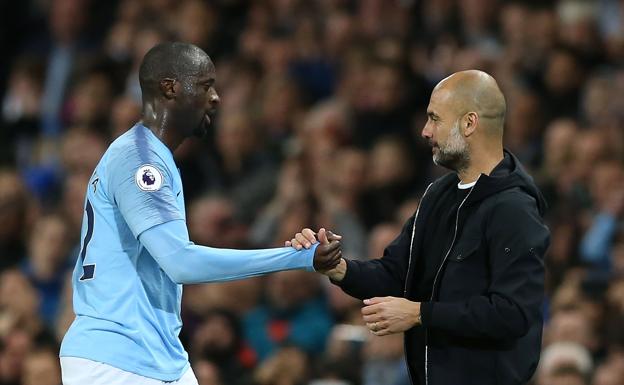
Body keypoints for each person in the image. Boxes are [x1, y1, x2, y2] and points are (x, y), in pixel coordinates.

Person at [59, 42, 342, 385]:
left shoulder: (151, 156)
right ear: (170, 88)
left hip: (156, 354)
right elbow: (182, 262)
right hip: (117, 358)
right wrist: (296, 258)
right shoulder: (139, 161)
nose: (216, 98)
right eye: (206, 85)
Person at [288, 70, 550, 385]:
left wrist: (419, 314)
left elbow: (512, 313)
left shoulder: (514, 208)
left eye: (434, 119)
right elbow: (396, 273)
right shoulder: (437, 195)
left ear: (469, 123)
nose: (425, 131)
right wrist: (337, 267)